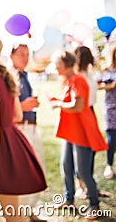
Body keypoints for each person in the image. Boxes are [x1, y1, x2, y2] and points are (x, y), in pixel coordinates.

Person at [0, 33, 47, 222]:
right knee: (13, 211)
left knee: (12, 215)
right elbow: (17, 116)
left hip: (1, 149)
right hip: (12, 140)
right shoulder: (6, 79)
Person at [50, 51, 108, 220]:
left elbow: (77, 106)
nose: (55, 67)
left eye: (57, 64)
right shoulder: (68, 81)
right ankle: (69, 200)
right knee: (66, 166)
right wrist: (57, 100)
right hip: (71, 132)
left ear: (66, 64)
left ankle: (94, 204)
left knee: (82, 171)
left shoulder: (78, 80)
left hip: (82, 132)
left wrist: (58, 104)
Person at [8, 43, 46, 221]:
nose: (25, 57)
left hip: (31, 126)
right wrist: (24, 106)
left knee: (38, 170)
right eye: (21, 54)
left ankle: (29, 210)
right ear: (11, 56)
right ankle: (21, 214)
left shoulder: (26, 75)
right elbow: (5, 109)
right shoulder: (9, 76)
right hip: (20, 128)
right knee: (24, 172)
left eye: (27, 54)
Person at [73, 46, 110, 198]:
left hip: (90, 112)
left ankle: (90, 186)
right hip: (81, 114)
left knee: (91, 151)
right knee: (80, 151)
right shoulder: (77, 76)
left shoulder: (89, 73)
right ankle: (80, 186)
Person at [97, 46, 116, 179]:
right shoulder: (106, 71)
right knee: (111, 138)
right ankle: (109, 165)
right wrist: (110, 86)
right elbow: (96, 85)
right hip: (111, 108)